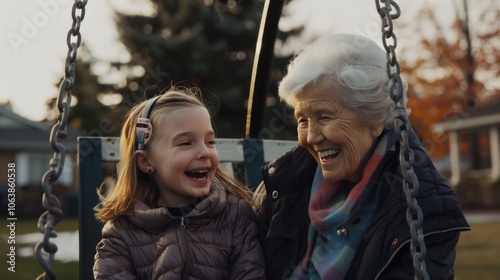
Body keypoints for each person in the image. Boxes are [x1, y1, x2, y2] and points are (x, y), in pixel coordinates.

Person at [253, 33, 471, 280]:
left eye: (324, 117)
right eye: (302, 120)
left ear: (375, 119)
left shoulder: (422, 205)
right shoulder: (282, 184)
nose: (311, 137)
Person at [93, 87, 265, 279]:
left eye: (210, 142)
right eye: (185, 143)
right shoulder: (123, 231)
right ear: (146, 162)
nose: (204, 152)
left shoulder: (234, 215)